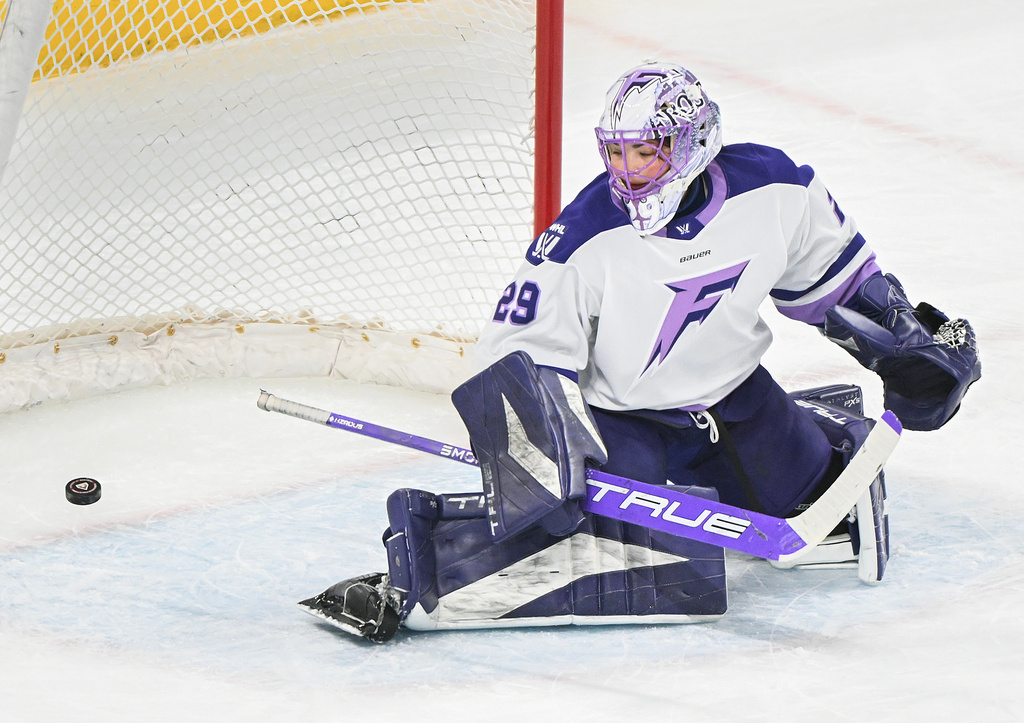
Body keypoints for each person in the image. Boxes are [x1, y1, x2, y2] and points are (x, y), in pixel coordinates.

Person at [300, 62, 981, 643]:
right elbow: (516, 355)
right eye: (616, 153)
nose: (627, 173)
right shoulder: (581, 239)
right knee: (631, 565)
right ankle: (419, 561)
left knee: (814, 505)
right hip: (624, 423)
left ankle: (823, 430)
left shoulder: (775, 188)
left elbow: (842, 281)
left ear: (691, 145)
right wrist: (542, 452)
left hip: (739, 401)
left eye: (645, 152)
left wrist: (906, 350)